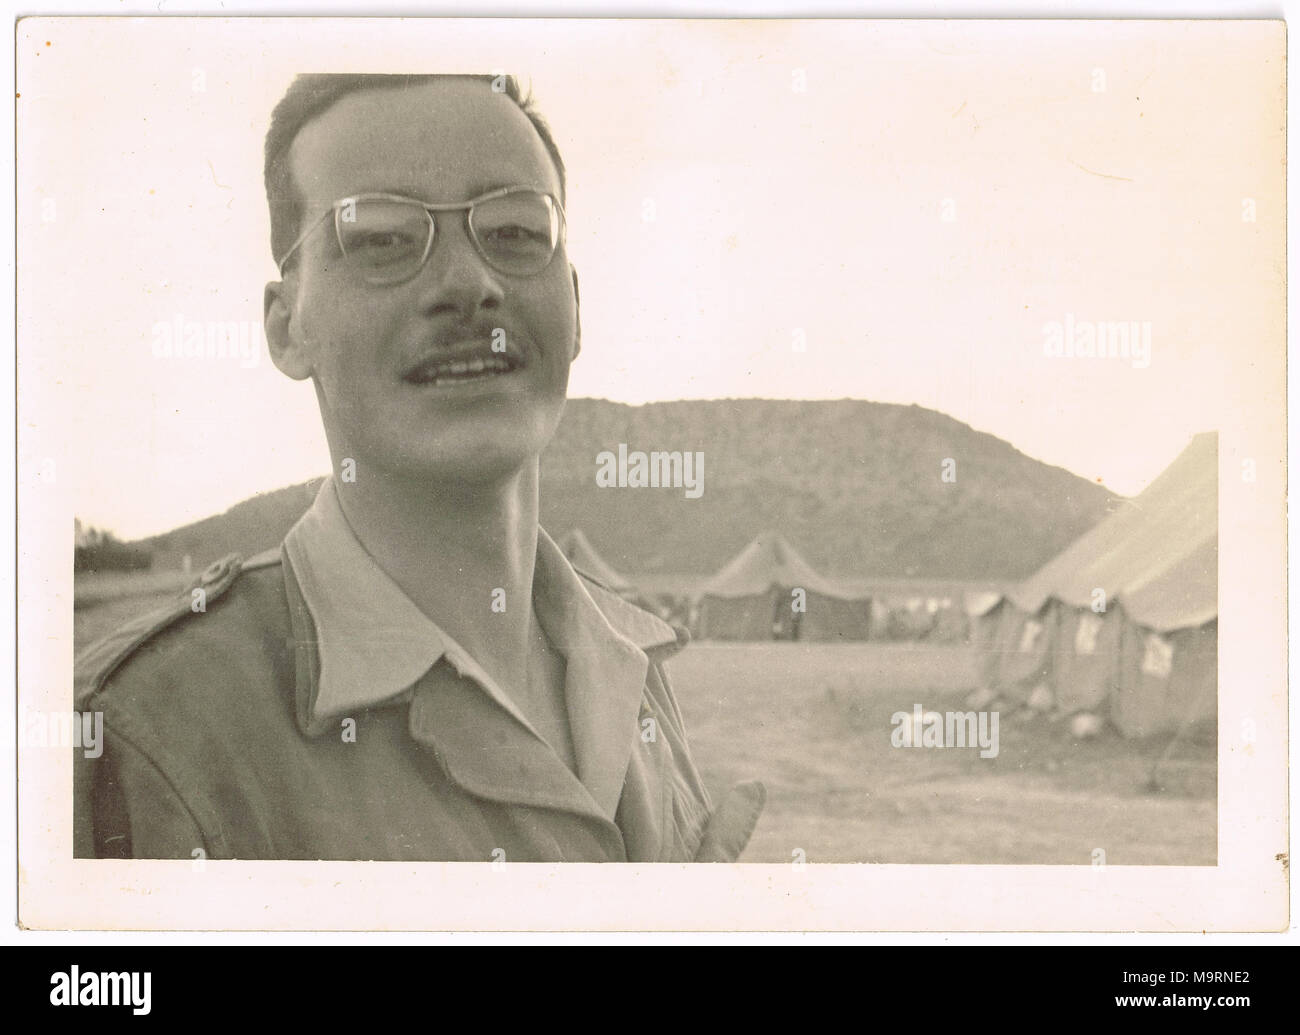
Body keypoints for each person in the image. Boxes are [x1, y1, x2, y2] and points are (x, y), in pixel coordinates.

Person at [74, 73, 764, 862]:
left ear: (574, 302)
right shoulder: (146, 740)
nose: (472, 285)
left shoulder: (630, 665)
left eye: (513, 230)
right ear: (285, 326)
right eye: (381, 240)